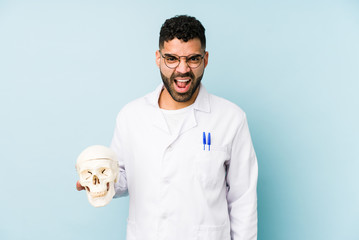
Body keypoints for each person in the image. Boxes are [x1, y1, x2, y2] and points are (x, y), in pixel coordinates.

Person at [77, 15, 258, 240]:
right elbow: (122, 176)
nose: (182, 69)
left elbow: (243, 200)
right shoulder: (131, 116)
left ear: (206, 59)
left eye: (193, 59)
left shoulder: (231, 119)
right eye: (171, 58)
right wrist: (101, 179)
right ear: (158, 58)